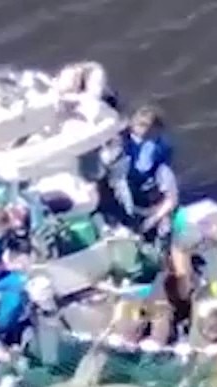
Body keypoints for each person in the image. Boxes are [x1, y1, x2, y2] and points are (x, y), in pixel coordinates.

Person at [121, 105, 180, 250]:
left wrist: (151, 221)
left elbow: (171, 199)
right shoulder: (122, 144)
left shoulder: (160, 166)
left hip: (152, 211)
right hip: (126, 205)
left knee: (163, 238)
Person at [54, 61, 120, 110]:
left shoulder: (95, 72)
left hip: (106, 101)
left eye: (74, 81)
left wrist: (68, 97)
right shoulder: (65, 77)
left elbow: (94, 96)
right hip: (77, 99)